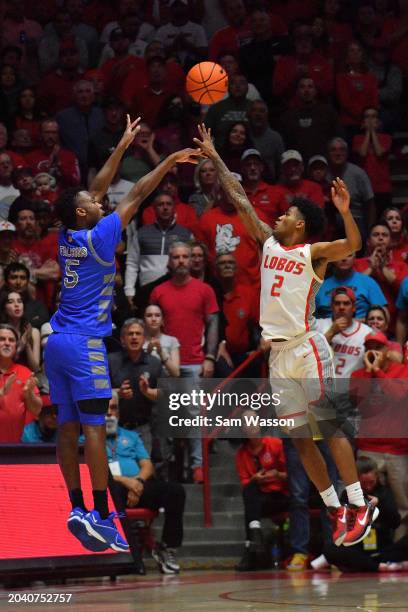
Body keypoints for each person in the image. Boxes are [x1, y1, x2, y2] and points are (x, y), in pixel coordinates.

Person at [195, 123, 379, 548]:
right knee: (299, 438)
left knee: (328, 426)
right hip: (277, 356)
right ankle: (335, 509)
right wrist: (216, 156)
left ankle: (359, 502)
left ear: (300, 226)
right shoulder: (269, 243)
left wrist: (345, 209)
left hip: (306, 346)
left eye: (287, 214)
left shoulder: (312, 253)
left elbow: (352, 243)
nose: (278, 215)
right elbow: (240, 198)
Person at [43, 115, 200, 553]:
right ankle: (100, 512)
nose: (101, 202)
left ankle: (76, 507)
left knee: (67, 427)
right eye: (93, 203)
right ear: (84, 213)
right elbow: (137, 191)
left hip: (55, 343)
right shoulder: (100, 235)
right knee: (94, 429)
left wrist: (122, 145)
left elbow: (97, 187)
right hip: (83, 345)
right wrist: (169, 159)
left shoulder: (67, 234)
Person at [150, 241, 219, 483]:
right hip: (166, 362)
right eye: (176, 257)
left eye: (184, 257)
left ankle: (197, 465)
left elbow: (212, 324)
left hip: (193, 361)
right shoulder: (159, 291)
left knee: (192, 414)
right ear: (169, 261)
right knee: (165, 414)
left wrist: (210, 357)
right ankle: (166, 467)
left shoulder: (204, 290)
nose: (180, 261)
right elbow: (153, 325)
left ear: (191, 261)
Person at [106, 394, 186, 575]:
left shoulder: (131, 437)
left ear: (118, 412)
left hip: (138, 486)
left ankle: (168, 548)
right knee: (111, 489)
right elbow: (90, 469)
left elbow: (147, 465)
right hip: (112, 490)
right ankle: (124, 554)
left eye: (113, 408)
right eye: (105, 408)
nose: (109, 413)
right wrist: (125, 481)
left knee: (175, 491)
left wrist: (139, 482)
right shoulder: (87, 438)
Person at [235, 409, 289, 572]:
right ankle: (255, 532)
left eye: (253, 422)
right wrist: (255, 479)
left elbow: (292, 475)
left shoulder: (275, 444)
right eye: (246, 424)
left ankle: (250, 547)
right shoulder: (241, 454)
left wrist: (277, 474)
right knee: (250, 491)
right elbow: (245, 484)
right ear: (243, 429)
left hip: (280, 495)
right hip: (259, 498)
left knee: (250, 510)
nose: (251, 426)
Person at [316, 287, 372, 379]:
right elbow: (308, 356)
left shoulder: (366, 332)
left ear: (354, 307)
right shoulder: (318, 325)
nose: (341, 307)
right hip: (322, 387)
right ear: (331, 306)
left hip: (351, 389)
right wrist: (331, 332)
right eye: (337, 303)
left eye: (346, 303)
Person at [0, 323, 41, 443]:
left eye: (11, 340)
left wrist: (29, 394)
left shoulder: (24, 372)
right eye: (2, 339)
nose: (7, 343)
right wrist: (2, 393)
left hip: (15, 448)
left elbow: (36, 410)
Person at [315, 254, 388, 320]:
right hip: (327, 330)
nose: (344, 259)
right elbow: (309, 320)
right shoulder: (320, 287)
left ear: (354, 258)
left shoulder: (368, 282)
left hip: (363, 329)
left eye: (349, 255)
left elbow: (383, 315)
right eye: (340, 255)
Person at [0, 289, 40, 371]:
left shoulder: (34, 332)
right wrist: (21, 345)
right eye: (11, 302)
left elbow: (35, 368)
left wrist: (27, 344)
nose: (16, 305)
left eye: (19, 301)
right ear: (4, 308)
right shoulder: (1, 332)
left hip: (25, 377)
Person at [143, 304, 180, 378]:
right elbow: (135, 370)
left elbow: (176, 373)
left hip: (166, 385)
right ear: (144, 320)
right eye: (149, 315)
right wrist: (148, 353)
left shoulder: (172, 340)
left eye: (157, 315)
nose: (153, 319)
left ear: (162, 320)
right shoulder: (138, 340)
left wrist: (161, 352)